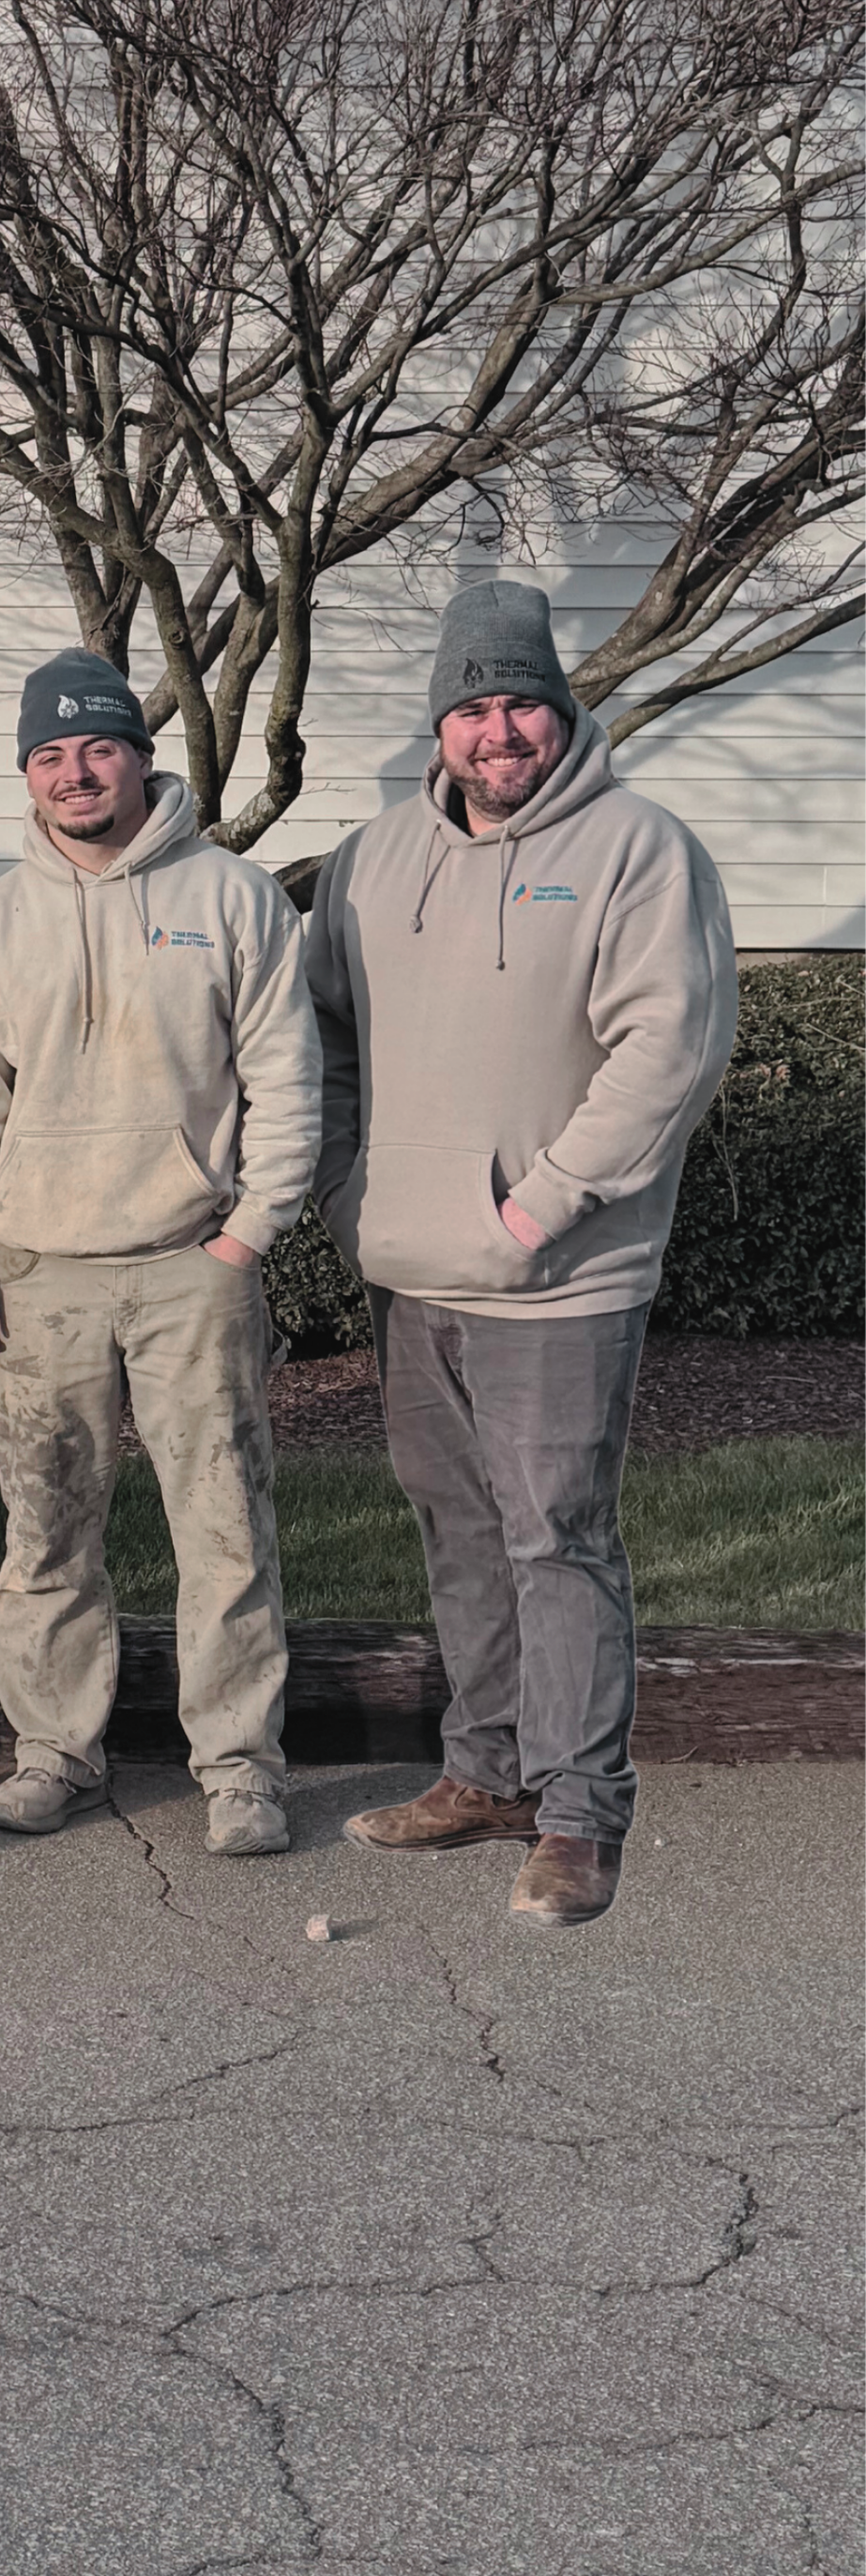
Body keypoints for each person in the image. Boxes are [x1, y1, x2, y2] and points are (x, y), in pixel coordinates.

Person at [308, 581, 737, 1929]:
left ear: (561, 710)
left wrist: (540, 1205)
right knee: (459, 1531)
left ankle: (577, 1813)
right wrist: (348, 1194)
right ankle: (485, 1774)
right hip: (411, 1269)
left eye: (521, 704)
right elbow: (320, 1040)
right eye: (472, 707)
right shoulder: (371, 861)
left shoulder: (638, 850)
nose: (498, 731)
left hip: (560, 1278)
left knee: (557, 1538)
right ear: (439, 726)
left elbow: (669, 1050)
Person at [0, 648, 322, 1854]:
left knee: (223, 1525)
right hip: (41, 1271)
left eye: (97, 748)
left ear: (140, 759)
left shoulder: (233, 899)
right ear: (27, 774)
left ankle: (239, 1767)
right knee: (45, 1529)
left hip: (195, 1263)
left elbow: (288, 1077)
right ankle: (55, 1751)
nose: (75, 773)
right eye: (49, 755)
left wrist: (249, 1231)